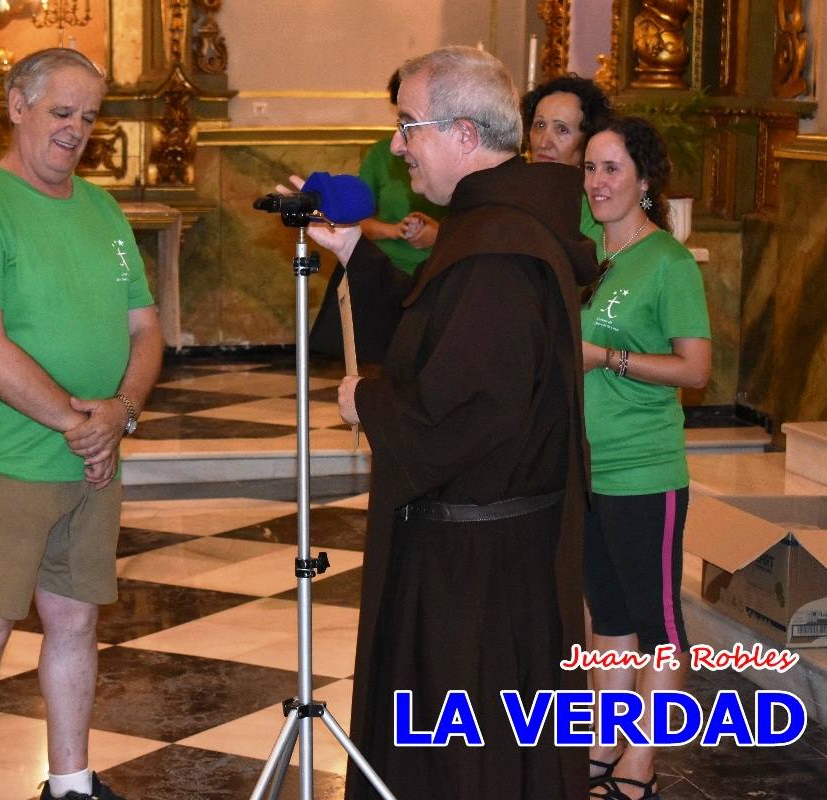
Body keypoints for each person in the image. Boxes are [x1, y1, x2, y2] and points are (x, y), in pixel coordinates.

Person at [298, 47, 598, 800]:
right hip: (485, 552)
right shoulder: (489, 229)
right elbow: (432, 337)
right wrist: (358, 256)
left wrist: (365, 401)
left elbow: (466, 414)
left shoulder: (496, 248)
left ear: (464, 134)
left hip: (477, 576)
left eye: (409, 126)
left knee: (467, 763)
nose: (398, 146)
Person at [0, 47, 163, 800]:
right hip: (3, 458)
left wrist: (119, 414)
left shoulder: (102, 208)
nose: (77, 130)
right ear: (17, 104)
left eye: (90, 116)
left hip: (89, 457)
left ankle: (70, 783)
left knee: (75, 622)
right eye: (62, 112)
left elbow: (147, 330)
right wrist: (78, 423)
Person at [580, 117, 711, 800]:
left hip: (643, 469)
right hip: (588, 469)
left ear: (644, 179)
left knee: (658, 625)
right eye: (590, 168)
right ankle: (605, 746)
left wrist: (608, 358)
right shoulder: (589, 249)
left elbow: (695, 371)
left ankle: (643, 761)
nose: (597, 183)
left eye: (612, 169)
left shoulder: (669, 263)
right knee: (608, 621)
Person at [358, 70, 447, 274]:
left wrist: (438, 235)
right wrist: (395, 230)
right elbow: (357, 221)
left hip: (438, 268)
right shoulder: (381, 154)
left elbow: (478, 230)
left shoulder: (448, 154)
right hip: (387, 267)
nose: (399, 147)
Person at [522, 74, 613, 239]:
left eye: (562, 130)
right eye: (540, 125)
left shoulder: (599, 209)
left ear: (589, 141)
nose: (544, 143)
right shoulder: (513, 195)